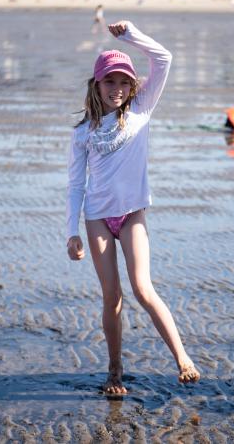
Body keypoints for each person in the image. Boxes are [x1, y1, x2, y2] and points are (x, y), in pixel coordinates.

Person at [66, 20, 200, 395]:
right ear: (97, 85)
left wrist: (130, 36)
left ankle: (182, 359)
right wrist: (71, 232)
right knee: (112, 297)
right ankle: (114, 369)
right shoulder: (83, 132)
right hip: (96, 219)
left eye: (125, 81)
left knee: (143, 287)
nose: (118, 89)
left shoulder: (142, 109)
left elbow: (164, 58)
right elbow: (76, 185)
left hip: (132, 215)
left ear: (134, 85)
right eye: (110, 82)